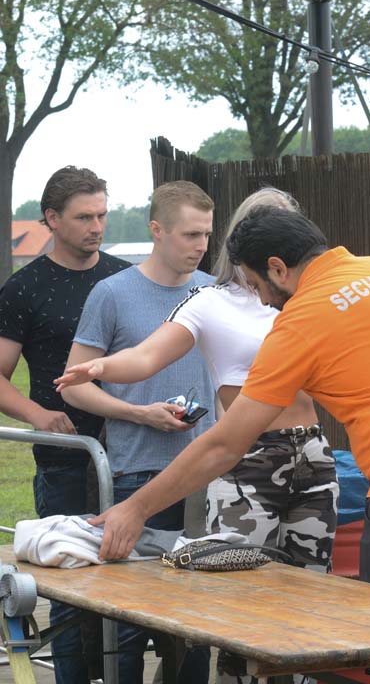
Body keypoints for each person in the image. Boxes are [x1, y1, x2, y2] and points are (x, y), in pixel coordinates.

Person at [57, 207, 370, 683]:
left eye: (258, 284)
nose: (261, 299)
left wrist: (134, 509)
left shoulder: (302, 320)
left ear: (278, 268)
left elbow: (224, 446)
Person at [63, 186, 340, 684]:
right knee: (238, 601)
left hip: (312, 454)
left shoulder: (309, 299)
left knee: (308, 602)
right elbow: (147, 355)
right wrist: (101, 366)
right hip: (247, 460)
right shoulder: (211, 300)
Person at [60, 180, 216, 684]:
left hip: (206, 476)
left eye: (206, 234)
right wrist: (139, 413)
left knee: (198, 622)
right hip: (137, 473)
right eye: (190, 234)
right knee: (127, 623)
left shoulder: (214, 292)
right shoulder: (112, 293)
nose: (201, 245)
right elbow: (74, 387)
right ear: (157, 230)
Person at [0, 166, 130, 684]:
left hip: (135, 450)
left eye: (101, 215)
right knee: (71, 584)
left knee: (139, 582)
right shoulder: (24, 288)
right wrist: (38, 416)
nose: (96, 227)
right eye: (83, 217)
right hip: (66, 456)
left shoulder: (126, 278)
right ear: (51, 219)